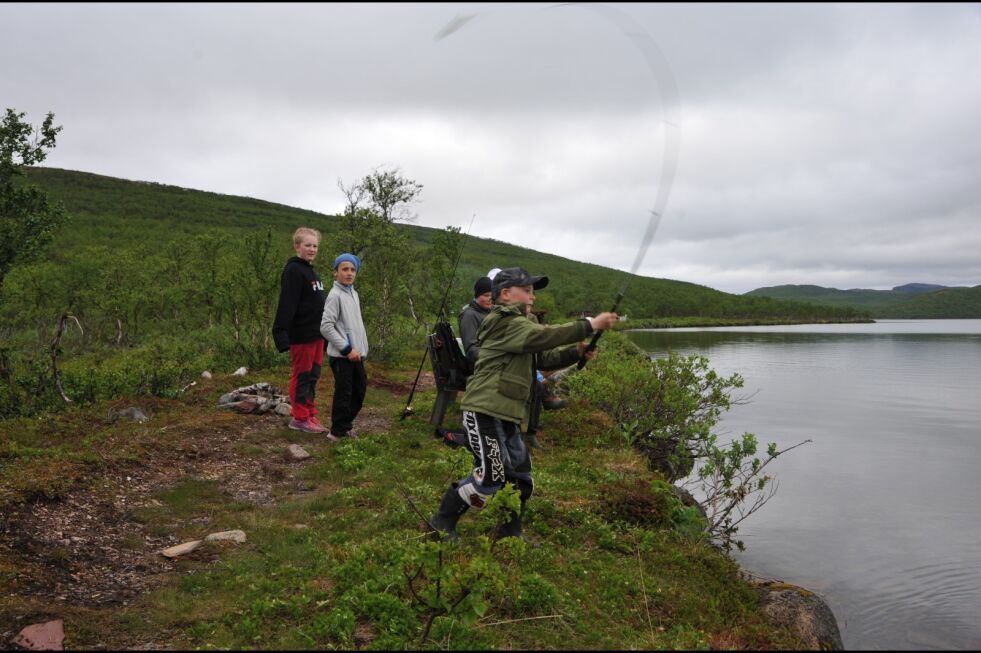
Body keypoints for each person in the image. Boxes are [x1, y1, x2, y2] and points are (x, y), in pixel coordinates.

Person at [430, 267, 618, 541]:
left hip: (509, 414)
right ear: (506, 294)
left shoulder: (524, 323)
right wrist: (590, 324)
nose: (533, 297)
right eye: (527, 291)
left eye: (533, 292)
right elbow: (543, 337)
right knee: (491, 478)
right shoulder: (503, 321)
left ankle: (509, 533)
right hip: (484, 410)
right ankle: (442, 521)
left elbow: (542, 358)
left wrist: (575, 352)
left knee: (521, 479)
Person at [272, 227, 329, 435]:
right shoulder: (294, 271)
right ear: (297, 246)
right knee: (302, 375)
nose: (312, 249)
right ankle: (299, 418)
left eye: (315, 246)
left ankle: (309, 412)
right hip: (302, 335)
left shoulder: (312, 271)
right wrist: (281, 333)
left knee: (313, 375)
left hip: (317, 334)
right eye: (307, 245)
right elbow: (287, 303)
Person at [320, 253, 369, 441]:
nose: (349, 273)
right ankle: (337, 432)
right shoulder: (335, 295)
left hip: (356, 355)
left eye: (352, 270)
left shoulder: (353, 293)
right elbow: (325, 326)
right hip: (342, 356)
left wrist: (360, 348)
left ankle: (344, 426)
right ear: (336, 272)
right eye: (344, 269)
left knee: (359, 389)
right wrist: (347, 348)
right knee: (344, 392)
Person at [458, 275, 493, 366]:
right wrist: (495, 358)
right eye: (486, 295)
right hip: (480, 367)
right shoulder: (469, 315)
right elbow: (471, 350)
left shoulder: (491, 312)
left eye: (492, 296)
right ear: (477, 296)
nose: (490, 299)